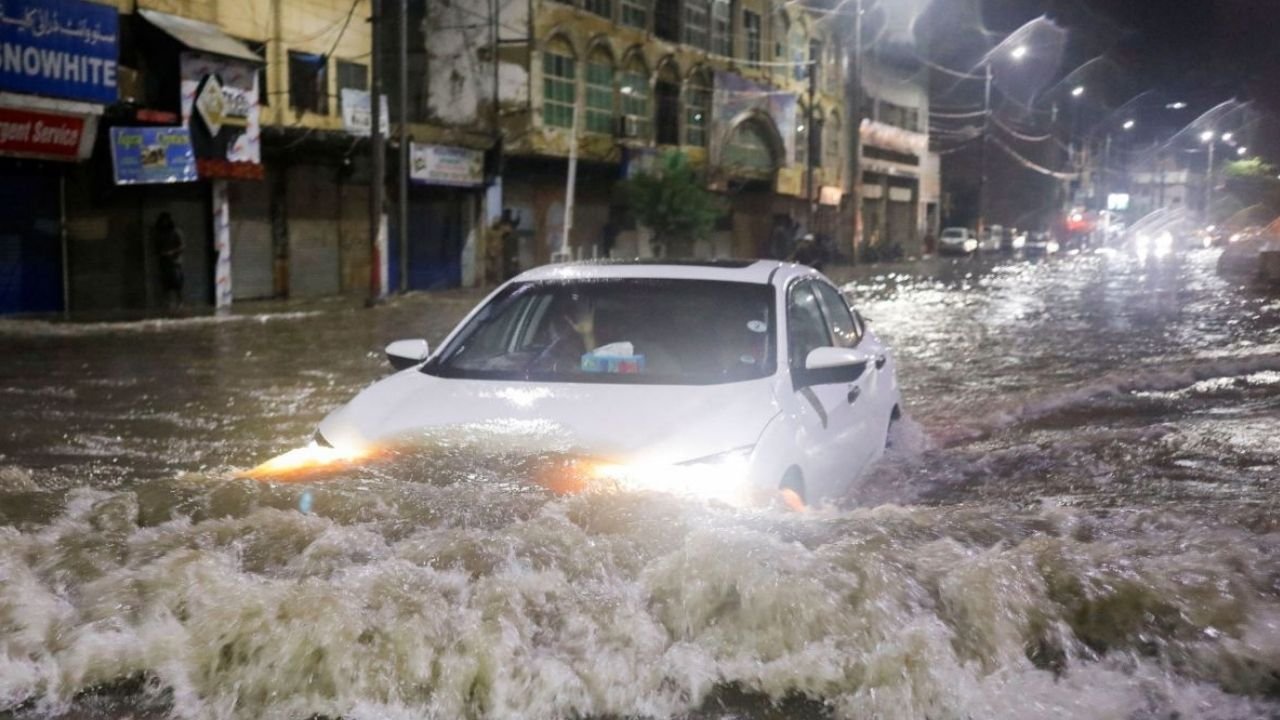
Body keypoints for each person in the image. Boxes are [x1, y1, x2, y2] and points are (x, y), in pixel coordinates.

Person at [152, 213, 184, 308]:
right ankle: (167, 303)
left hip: (175, 262)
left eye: (166, 221)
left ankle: (180, 303)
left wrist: (172, 252)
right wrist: (161, 253)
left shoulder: (176, 232)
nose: (164, 223)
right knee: (165, 284)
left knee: (177, 283)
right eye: (163, 221)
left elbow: (182, 246)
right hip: (164, 262)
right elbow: (156, 248)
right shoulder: (159, 234)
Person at [483, 211, 517, 287]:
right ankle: (490, 281)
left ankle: (497, 281)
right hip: (491, 252)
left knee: (499, 268)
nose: (497, 223)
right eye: (496, 222)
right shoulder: (489, 231)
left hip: (499, 252)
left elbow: (509, 230)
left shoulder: (500, 230)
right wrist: (490, 251)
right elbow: (487, 242)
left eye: (498, 222)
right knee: (490, 268)